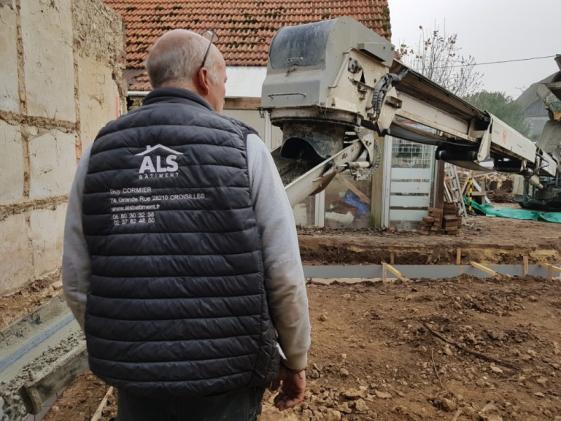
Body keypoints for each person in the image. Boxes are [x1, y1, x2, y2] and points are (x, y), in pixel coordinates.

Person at [62, 29, 311, 420]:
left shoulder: (100, 151)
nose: (223, 94)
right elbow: (284, 273)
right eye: (224, 82)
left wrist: (124, 341)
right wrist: (294, 357)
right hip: (226, 376)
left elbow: (77, 279)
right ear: (204, 78)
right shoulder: (244, 148)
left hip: (138, 378)